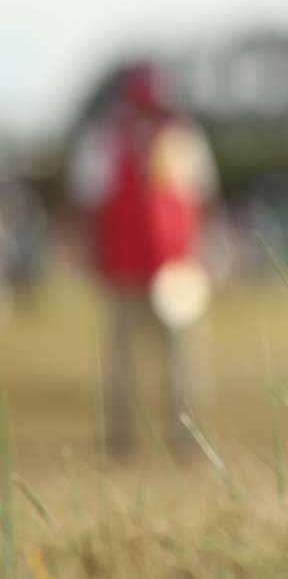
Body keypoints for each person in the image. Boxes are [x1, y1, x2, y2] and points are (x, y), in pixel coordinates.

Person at [67, 62, 218, 456]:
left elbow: (200, 200)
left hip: (174, 267)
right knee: (126, 360)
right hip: (125, 266)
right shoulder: (106, 139)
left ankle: (185, 439)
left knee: (180, 359)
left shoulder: (181, 138)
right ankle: (124, 440)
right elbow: (89, 202)